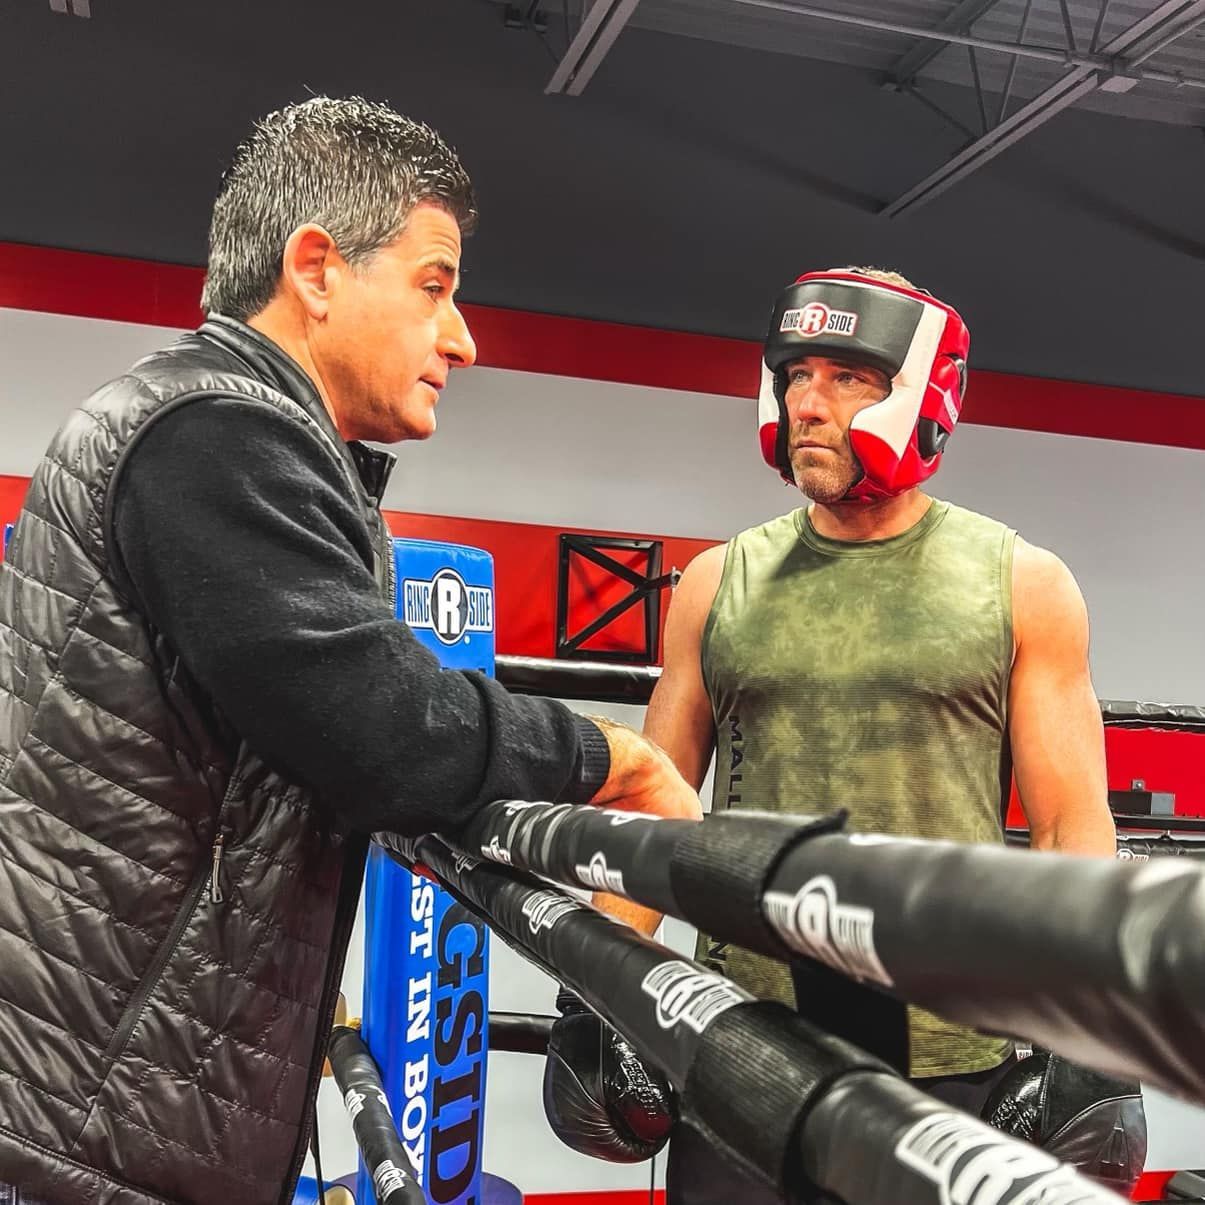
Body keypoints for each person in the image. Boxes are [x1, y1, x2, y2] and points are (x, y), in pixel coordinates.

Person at [0, 96, 699, 1205]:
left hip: (100, 1113)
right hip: (87, 1143)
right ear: (316, 270)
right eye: (434, 285)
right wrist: (613, 758)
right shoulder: (212, 433)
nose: (461, 336)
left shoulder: (208, 422)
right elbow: (383, 729)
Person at [640, 268, 1142, 1194]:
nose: (809, 403)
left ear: (920, 396)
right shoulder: (716, 583)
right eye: (796, 375)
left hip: (946, 1047)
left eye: (847, 377)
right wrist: (604, 989)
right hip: (747, 1036)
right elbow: (653, 803)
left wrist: (1090, 1031)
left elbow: (1072, 824)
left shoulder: (1019, 583)